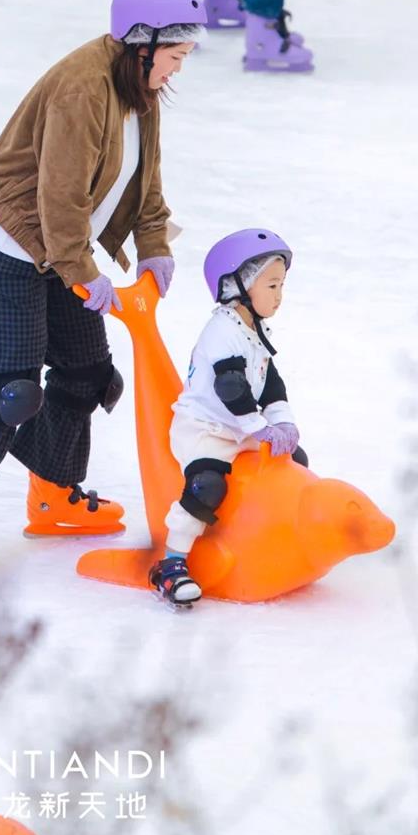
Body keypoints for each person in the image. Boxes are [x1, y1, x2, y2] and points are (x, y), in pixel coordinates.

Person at [0, 0, 206, 583]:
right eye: (175, 56)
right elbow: (59, 195)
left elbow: (145, 180)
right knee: (12, 390)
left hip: (60, 247)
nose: (178, 69)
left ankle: (54, 494)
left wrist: (153, 246)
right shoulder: (82, 88)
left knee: (88, 372)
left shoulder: (138, 87)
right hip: (7, 244)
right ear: (142, 44)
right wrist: (81, 270)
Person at [149, 229, 308, 606]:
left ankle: (276, 539)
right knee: (208, 484)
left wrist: (283, 423)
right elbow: (232, 388)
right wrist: (261, 428)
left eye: (281, 285)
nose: (279, 296)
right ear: (238, 285)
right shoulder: (222, 331)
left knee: (294, 462)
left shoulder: (256, 330)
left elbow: (269, 382)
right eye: (271, 285)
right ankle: (171, 563)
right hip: (206, 427)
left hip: (240, 424)